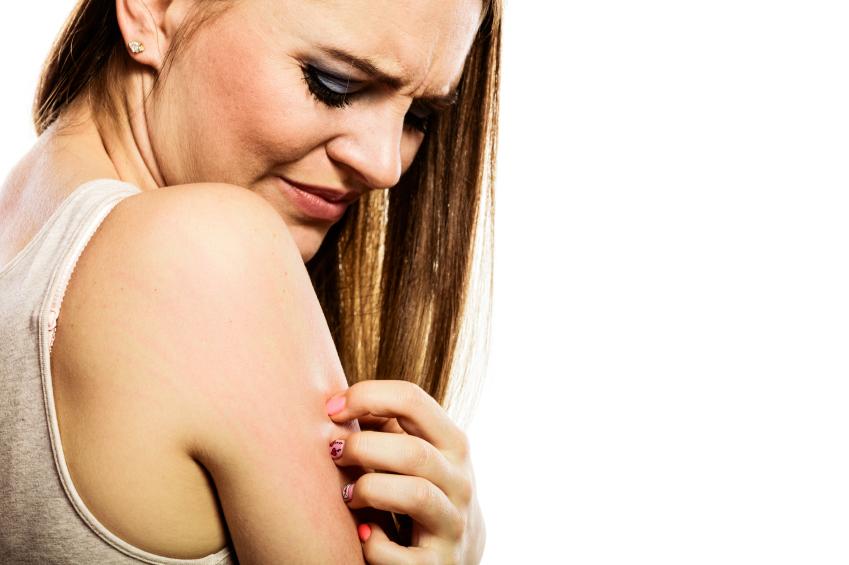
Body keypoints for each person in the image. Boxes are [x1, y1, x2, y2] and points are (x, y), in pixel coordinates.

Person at [0, 0, 500, 562]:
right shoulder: (211, 252)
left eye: (419, 117)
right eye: (333, 83)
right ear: (153, 10)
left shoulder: (23, 232)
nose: (384, 166)